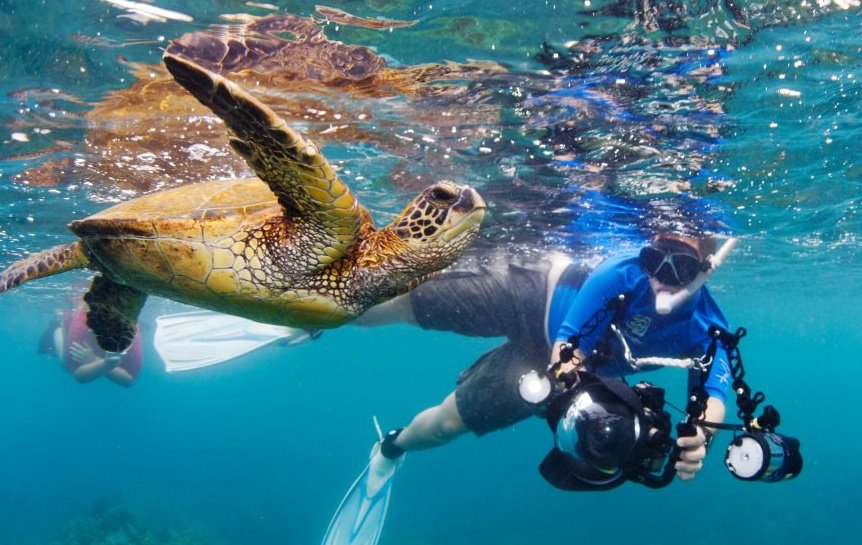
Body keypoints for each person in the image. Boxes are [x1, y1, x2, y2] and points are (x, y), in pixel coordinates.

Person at [321, 231, 735, 543]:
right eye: (652, 259)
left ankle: (391, 448)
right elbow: (568, 341)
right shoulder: (622, 272)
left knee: (449, 424)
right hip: (535, 294)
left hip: (550, 369)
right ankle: (318, 309)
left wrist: (699, 438)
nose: (659, 277)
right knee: (412, 304)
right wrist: (570, 383)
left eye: (678, 265)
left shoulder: (708, 328)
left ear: (706, 266)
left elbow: (714, 397)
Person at [39, 300, 143, 386]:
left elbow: (129, 380)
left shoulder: (131, 328)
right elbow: (78, 375)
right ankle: (58, 323)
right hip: (76, 321)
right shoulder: (81, 324)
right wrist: (105, 364)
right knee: (66, 365)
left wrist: (97, 361)